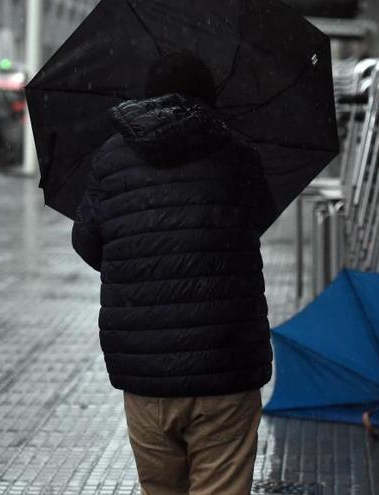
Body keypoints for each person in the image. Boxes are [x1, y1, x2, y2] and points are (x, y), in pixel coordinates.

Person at [71, 52, 276, 494]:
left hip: (147, 371)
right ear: (208, 97)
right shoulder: (237, 154)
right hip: (228, 366)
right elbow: (258, 218)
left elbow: (87, 243)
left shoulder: (110, 158)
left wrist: (140, 258)